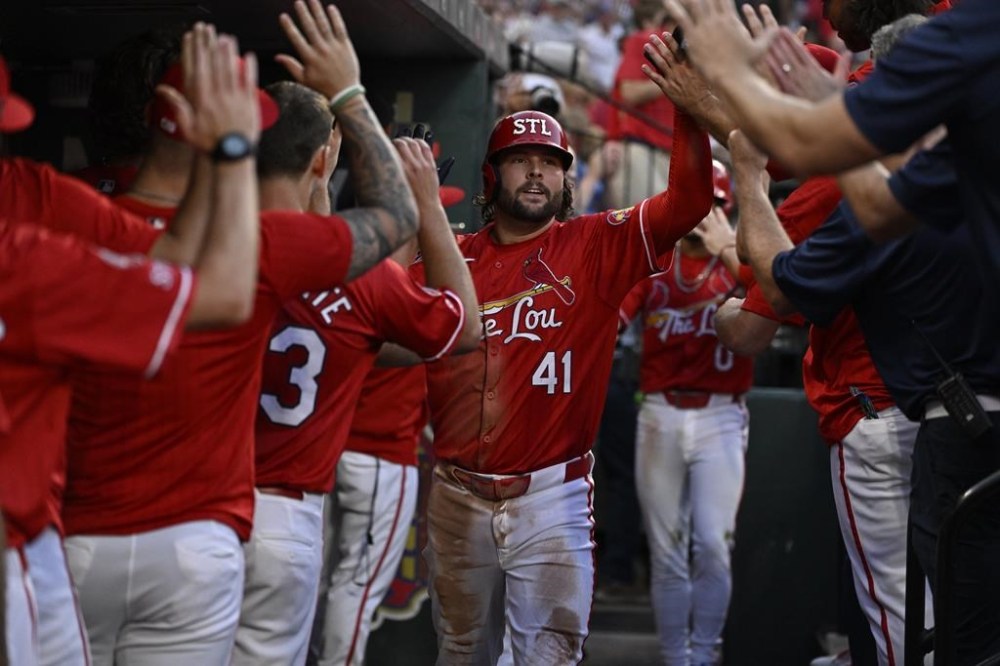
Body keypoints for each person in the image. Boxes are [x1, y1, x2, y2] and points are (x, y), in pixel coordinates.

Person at [57, 3, 421, 663]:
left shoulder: (67, 215)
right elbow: (396, 214)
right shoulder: (261, 243)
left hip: (71, 537)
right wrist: (345, 94)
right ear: (229, 135)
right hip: (197, 539)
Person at [420, 57, 713, 659]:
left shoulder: (596, 243)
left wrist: (688, 110)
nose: (536, 172)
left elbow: (689, 201)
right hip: (456, 492)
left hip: (550, 497)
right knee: (458, 652)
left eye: (551, 162)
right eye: (521, 159)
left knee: (549, 657)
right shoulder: (455, 256)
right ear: (491, 174)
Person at [0, 29, 261, 664]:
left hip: (71, 539)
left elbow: (162, 265)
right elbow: (223, 293)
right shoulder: (21, 256)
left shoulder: (32, 208)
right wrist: (228, 151)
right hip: (20, 541)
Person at [734, 127, 1000, 665]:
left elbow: (780, 289)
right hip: (951, 422)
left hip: (942, 429)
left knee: (922, 628)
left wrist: (747, 177)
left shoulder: (892, 203)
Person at [232, 86, 478, 664]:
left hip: (204, 504)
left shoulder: (206, 245)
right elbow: (462, 329)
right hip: (292, 501)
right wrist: (424, 205)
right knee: (351, 593)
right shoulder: (357, 271)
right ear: (323, 158)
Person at [664, 0, 1000, 279]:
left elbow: (771, 295)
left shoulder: (952, 47)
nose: (823, 14)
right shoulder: (957, 40)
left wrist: (719, 82)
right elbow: (879, 206)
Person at [618, 164, 752, 666]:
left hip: (721, 414)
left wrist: (728, 245)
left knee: (713, 545)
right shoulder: (657, 265)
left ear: (726, 208)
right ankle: (678, 658)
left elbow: (777, 294)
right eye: (697, 206)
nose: (702, 218)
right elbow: (613, 314)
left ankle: (706, 654)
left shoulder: (738, 261)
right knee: (667, 549)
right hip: (660, 414)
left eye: (714, 205)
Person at [311, 364, 430, 666]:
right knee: (355, 588)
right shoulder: (404, 313)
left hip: (324, 446)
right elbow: (463, 333)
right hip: (380, 449)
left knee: (319, 581)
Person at [604, 0, 677, 210]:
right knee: (646, 228)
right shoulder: (644, 40)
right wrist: (673, 80)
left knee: (678, 236)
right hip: (641, 148)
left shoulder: (695, 53)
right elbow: (630, 92)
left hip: (674, 153)